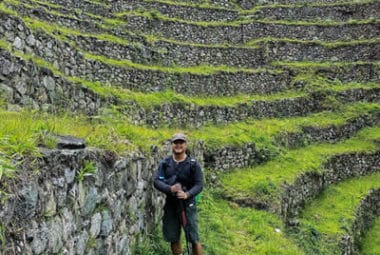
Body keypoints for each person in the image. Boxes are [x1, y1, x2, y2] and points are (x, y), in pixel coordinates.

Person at [154, 133, 203, 255]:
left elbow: (199, 184)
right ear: (172, 145)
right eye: (176, 142)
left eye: (181, 142)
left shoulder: (193, 164)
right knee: (173, 236)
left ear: (185, 145)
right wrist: (170, 188)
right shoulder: (165, 163)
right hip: (171, 204)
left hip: (188, 205)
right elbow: (157, 181)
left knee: (193, 237)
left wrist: (187, 194)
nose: (178, 145)